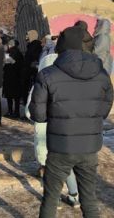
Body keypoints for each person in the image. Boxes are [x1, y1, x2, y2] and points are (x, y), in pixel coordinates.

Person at [29, 26, 113, 217]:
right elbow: (104, 108)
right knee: (89, 200)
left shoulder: (48, 74)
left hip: (60, 147)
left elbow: (38, 114)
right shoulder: (101, 75)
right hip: (89, 146)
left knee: (50, 199)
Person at [25, 35, 80, 209]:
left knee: (50, 167)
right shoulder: (71, 82)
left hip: (45, 132)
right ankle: (74, 195)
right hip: (66, 132)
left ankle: (52, 199)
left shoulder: (40, 84)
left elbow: (29, 111)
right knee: (66, 165)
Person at [2, 40, 23, 118]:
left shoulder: (10, 53)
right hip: (17, 77)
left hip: (9, 77)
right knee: (16, 97)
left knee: (9, 96)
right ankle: (16, 112)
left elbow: (7, 63)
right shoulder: (19, 53)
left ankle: (10, 111)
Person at [22, 30, 42, 105]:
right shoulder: (31, 45)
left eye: (27, 35)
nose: (26, 37)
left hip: (31, 73)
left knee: (29, 92)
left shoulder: (35, 46)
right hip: (28, 72)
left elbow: (33, 58)